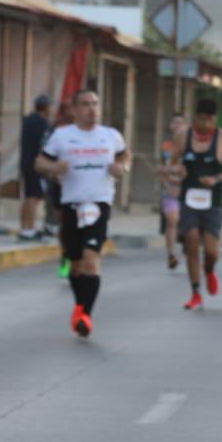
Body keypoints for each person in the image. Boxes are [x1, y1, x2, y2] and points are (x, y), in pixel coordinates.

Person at [35, 89, 130, 339]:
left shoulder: (110, 135)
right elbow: (39, 163)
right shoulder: (62, 136)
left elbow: (125, 156)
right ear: (75, 110)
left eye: (95, 104)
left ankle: (86, 315)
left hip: (99, 203)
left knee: (91, 258)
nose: (92, 109)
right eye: (86, 104)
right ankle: (80, 307)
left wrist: (122, 167)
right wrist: (54, 167)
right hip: (72, 204)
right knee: (75, 263)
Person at [172, 98, 222, 310]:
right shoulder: (183, 136)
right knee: (191, 241)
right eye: (202, 119)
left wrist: (216, 179)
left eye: (211, 119)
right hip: (189, 197)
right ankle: (195, 293)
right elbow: (173, 163)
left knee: (211, 252)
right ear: (195, 117)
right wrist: (177, 170)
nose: (206, 124)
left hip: (213, 200)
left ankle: (209, 270)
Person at [17, 94, 54, 241]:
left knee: (28, 196)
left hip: (26, 162)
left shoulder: (28, 120)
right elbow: (44, 144)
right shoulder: (42, 123)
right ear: (46, 108)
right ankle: (30, 228)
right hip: (36, 164)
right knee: (34, 197)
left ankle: (25, 227)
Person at [158, 112, 187, 270]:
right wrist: (168, 184)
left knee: (188, 224)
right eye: (174, 122)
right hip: (170, 191)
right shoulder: (166, 146)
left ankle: (187, 244)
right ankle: (171, 254)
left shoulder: (191, 146)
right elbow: (161, 168)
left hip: (188, 191)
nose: (177, 126)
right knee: (171, 220)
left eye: (180, 122)